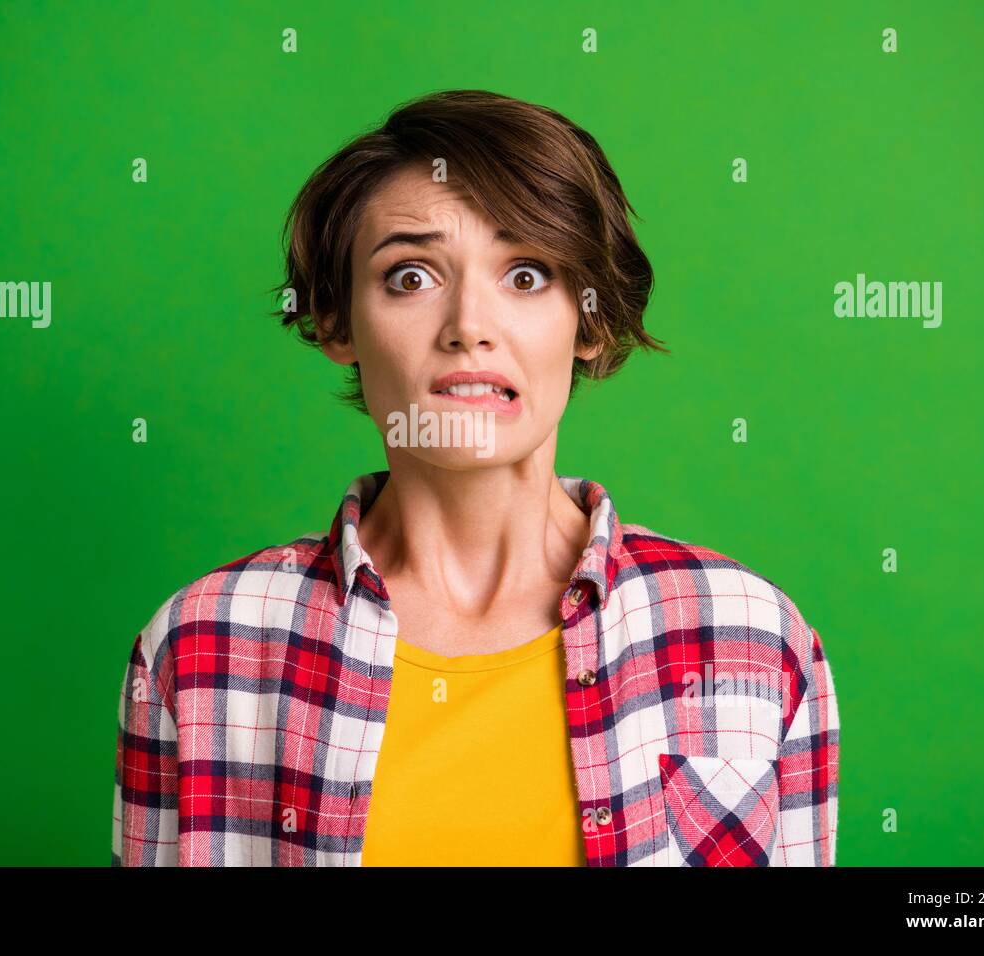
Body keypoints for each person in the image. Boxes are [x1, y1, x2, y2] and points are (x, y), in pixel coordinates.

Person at [112, 89, 839, 867]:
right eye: (410, 276)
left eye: (526, 275)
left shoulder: (751, 637)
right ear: (336, 322)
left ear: (589, 320)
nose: (469, 326)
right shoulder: (201, 647)